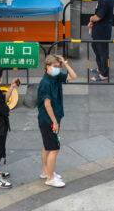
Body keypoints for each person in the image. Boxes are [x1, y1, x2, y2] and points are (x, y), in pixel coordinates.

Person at [37, 55, 77, 188]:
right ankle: (50, 177)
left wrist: (65, 64)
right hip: (49, 119)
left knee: (47, 146)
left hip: (52, 118)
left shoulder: (55, 77)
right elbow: (47, 104)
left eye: (58, 67)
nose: (57, 69)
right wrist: (54, 122)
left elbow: (73, 76)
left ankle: (45, 171)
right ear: (46, 67)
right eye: (54, 66)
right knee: (54, 148)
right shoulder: (45, 83)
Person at [87, 0, 114, 82]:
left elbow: (98, 17)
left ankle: (104, 73)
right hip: (99, 28)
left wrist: (91, 19)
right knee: (96, 48)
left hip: (102, 30)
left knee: (103, 52)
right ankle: (100, 68)